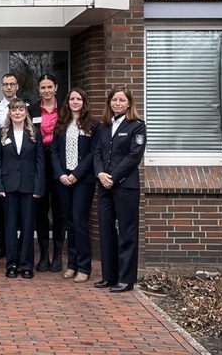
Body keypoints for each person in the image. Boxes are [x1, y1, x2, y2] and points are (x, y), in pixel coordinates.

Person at [93, 85, 146, 293]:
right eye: (114, 100)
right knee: (106, 230)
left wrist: (113, 178)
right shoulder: (104, 126)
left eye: (122, 100)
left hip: (125, 186)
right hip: (104, 185)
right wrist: (100, 173)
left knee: (127, 232)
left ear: (129, 103)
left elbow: (134, 156)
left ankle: (126, 279)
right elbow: (98, 153)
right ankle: (109, 275)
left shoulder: (137, 126)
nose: (117, 103)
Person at [50, 88, 100, 283]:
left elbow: (93, 153)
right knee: (69, 222)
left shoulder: (93, 125)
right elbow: (54, 151)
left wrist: (76, 175)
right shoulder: (61, 123)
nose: (75, 102)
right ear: (67, 102)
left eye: (79, 99)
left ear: (84, 102)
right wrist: (61, 174)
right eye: (72, 98)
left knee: (79, 222)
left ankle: (84, 266)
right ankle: (71, 264)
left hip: (82, 181)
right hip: (63, 180)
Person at [0, 99, 44, 279]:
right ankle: (12, 264)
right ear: (10, 113)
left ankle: (27, 265)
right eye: (14, 110)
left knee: (28, 227)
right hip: (9, 186)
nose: (17, 113)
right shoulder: (1, 133)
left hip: (29, 186)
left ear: (25, 113)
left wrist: (39, 187)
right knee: (10, 227)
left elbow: (40, 162)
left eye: (21, 110)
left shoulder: (35, 133)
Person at [27, 73, 64, 272]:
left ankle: (57, 254)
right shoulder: (31, 110)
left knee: (59, 210)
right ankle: (43, 255)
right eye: (43, 87)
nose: (47, 91)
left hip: (60, 162)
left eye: (50, 87)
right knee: (40, 210)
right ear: (38, 90)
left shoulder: (65, 109)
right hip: (39, 162)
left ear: (56, 88)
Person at [0, 73, 22, 260]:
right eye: (5, 84)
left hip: (21, 165)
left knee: (21, 210)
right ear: (1, 87)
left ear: (17, 86)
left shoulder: (25, 107)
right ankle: (1, 245)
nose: (9, 87)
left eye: (12, 84)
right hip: (2, 164)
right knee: (0, 209)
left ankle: (19, 246)